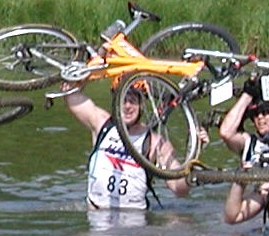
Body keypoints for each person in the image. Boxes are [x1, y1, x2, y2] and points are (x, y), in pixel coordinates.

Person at [57, 83, 189, 211]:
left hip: (135, 221)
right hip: (96, 216)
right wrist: (90, 69)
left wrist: (193, 158)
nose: (127, 106)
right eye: (123, 100)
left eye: (132, 101)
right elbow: (70, 94)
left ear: (141, 105)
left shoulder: (155, 142)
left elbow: (179, 189)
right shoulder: (102, 123)